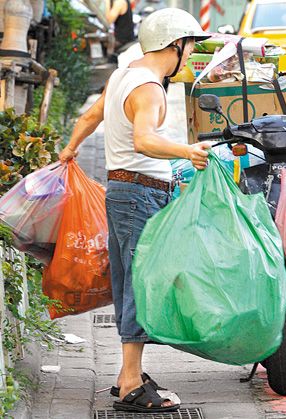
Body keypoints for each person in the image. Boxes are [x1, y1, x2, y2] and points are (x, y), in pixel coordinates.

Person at [59, 8, 212, 413]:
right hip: (140, 194)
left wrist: (70, 148)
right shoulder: (149, 89)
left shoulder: (122, 75)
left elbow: (91, 116)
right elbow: (143, 141)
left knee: (129, 282)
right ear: (174, 45)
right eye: (190, 46)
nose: (191, 54)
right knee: (139, 286)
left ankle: (127, 375)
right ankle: (130, 382)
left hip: (123, 192)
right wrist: (187, 152)